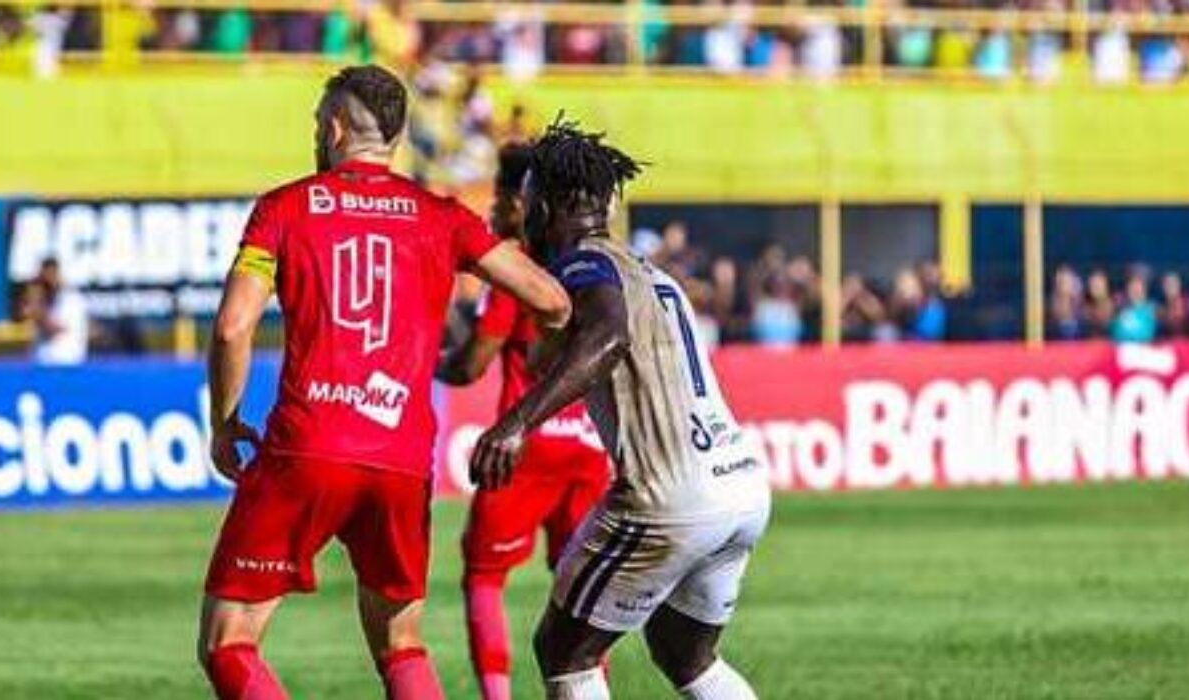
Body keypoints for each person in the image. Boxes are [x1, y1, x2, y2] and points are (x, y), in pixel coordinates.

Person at [198, 65, 570, 700]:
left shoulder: (285, 207)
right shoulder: (442, 217)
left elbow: (234, 326)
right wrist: (544, 375)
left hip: (306, 446)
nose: (317, 137)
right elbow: (553, 300)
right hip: (400, 458)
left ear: (336, 129)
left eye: (319, 126)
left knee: (230, 641)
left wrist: (225, 422)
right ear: (395, 140)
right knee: (401, 644)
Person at [469, 119, 770, 700]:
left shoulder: (583, 263)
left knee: (564, 651)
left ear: (548, 203)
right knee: (686, 654)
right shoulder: (650, 271)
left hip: (672, 495)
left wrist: (515, 424)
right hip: (740, 486)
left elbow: (607, 336)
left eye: (529, 196)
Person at [436, 143, 607, 700]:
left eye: (499, 198)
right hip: (588, 448)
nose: (489, 211)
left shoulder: (515, 266)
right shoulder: (595, 264)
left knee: (484, 577)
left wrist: (433, 360)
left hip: (526, 450)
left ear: (522, 200)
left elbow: (473, 366)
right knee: (580, 589)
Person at [21, 258, 88, 365]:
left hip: (65, 363)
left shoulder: (71, 298)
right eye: (43, 278)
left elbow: (55, 328)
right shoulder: (46, 299)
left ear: (57, 274)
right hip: (44, 361)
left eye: (49, 276)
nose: (46, 281)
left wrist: (35, 311)